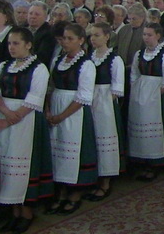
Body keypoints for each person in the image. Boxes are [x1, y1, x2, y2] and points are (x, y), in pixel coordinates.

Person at [0, 27, 53, 233]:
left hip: (25, 121)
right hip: (4, 116)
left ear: (28, 44)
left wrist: (9, 120)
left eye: (16, 43)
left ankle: (26, 213)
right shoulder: (4, 65)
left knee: (23, 167)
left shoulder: (39, 68)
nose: (11, 47)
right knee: (5, 165)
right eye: (9, 43)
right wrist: (5, 113)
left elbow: (35, 98)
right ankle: (13, 211)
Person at [46, 23, 97, 215]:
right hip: (56, 106)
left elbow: (84, 96)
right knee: (57, 149)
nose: (65, 42)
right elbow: (50, 87)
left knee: (74, 150)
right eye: (64, 38)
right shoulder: (58, 60)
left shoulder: (86, 64)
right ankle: (60, 191)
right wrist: (49, 110)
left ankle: (75, 193)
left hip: (74, 112)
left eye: (70, 39)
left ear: (81, 40)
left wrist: (61, 116)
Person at [129, 22, 164, 180]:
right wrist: (138, 91)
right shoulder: (139, 53)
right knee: (140, 124)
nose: (146, 38)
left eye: (149, 35)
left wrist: (153, 96)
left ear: (158, 36)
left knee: (156, 127)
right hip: (140, 94)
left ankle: (156, 162)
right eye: (144, 34)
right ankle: (142, 159)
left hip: (157, 96)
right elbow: (134, 74)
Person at [84, 23, 125, 202]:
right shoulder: (88, 57)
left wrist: (102, 102)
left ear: (107, 37)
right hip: (89, 100)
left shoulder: (114, 59)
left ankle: (106, 180)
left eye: (97, 35)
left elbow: (117, 88)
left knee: (105, 139)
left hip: (105, 103)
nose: (93, 39)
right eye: (91, 35)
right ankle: (92, 176)